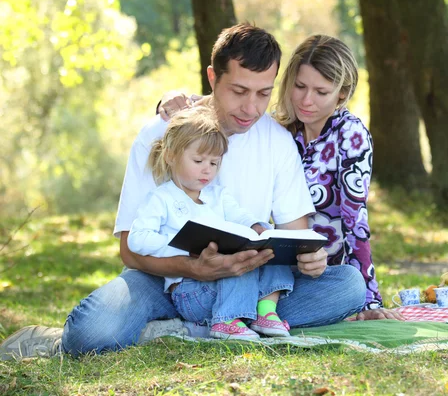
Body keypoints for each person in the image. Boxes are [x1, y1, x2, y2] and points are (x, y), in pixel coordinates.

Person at [0, 23, 366, 360]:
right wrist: (192, 267)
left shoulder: (277, 141)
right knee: (90, 334)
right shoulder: (159, 135)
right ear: (212, 77)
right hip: (163, 280)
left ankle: (183, 331)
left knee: (347, 286)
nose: (251, 108)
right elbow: (129, 249)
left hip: (243, 281)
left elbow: (293, 237)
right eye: (239, 91)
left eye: (263, 94)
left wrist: (309, 259)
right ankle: (213, 325)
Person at [128, 107, 293, 339]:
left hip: (221, 284)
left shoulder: (218, 195)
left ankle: (265, 312)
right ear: (171, 156)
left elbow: (240, 216)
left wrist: (257, 227)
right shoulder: (161, 199)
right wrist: (185, 246)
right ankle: (225, 321)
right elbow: (138, 239)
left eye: (214, 163)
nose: (207, 169)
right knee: (238, 265)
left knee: (271, 252)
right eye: (198, 160)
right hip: (190, 290)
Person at [274, 35, 401, 321]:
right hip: (267, 268)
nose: (307, 100)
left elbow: (355, 223)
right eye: (300, 86)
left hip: (318, 276)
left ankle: (254, 316)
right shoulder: (275, 129)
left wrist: (369, 301)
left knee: (349, 286)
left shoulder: (351, 136)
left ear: (341, 94)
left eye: (321, 92)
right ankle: (262, 314)